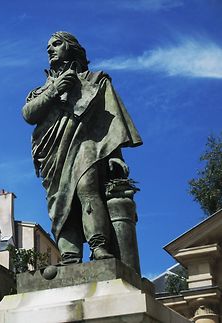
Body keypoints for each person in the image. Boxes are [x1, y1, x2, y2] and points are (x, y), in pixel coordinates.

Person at [22, 32, 142, 264]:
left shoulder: (96, 80)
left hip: (87, 143)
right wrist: (54, 90)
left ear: (72, 48)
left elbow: (111, 122)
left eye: (57, 44)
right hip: (53, 152)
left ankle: (98, 246)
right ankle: (70, 254)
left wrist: (115, 155)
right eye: (48, 46)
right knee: (59, 201)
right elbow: (28, 114)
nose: (50, 49)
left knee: (87, 187)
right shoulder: (42, 89)